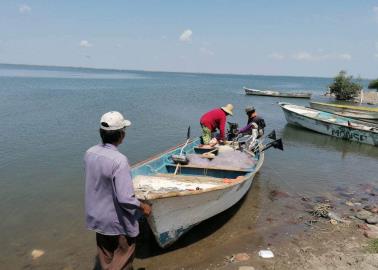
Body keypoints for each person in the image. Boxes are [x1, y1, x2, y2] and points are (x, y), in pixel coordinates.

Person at [84, 111, 151, 270]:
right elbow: (125, 199)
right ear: (121, 135)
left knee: (105, 259)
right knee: (123, 260)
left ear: (101, 132)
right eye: (124, 131)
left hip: (97, 218)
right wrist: (143, 207)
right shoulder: (119, 161)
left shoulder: (89, 153)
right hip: (116, 223)